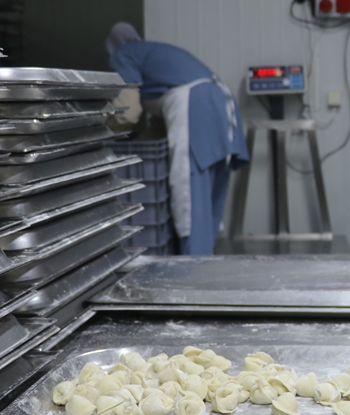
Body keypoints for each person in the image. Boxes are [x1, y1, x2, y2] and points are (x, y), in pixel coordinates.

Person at [106, 23, 248, 255]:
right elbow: (159, 126)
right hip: (222, 101)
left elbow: (128, 112)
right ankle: (206, 257)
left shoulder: (123, 54)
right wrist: (139, 145)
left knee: (190, 191)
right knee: (211, 189)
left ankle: (194, 264)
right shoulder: (151, 55)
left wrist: (103, 135)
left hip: (195, 104)